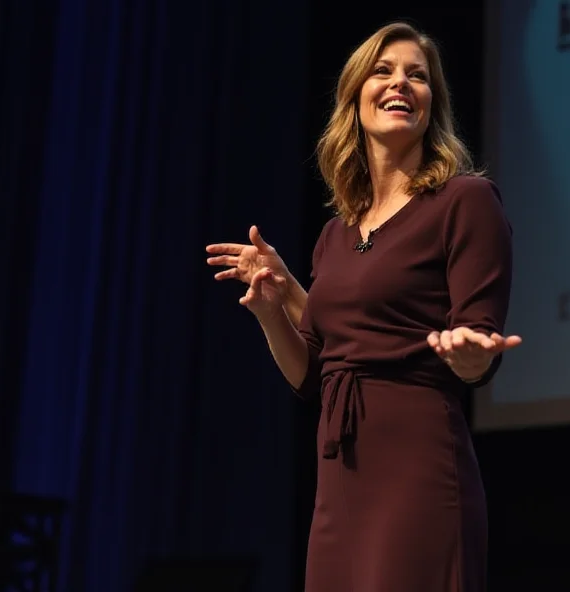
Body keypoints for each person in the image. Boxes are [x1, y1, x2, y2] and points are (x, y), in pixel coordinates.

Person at [205, 22, 520, 592]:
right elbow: (314, 373)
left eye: (417, 76)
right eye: (384, 70)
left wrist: (472, 354)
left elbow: (478, 350)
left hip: (418, 464)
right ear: (355, 98)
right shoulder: (335, 233)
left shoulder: (465, 201)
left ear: (432, 105)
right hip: (340, 476)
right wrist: (271, 308)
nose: (401, 82)